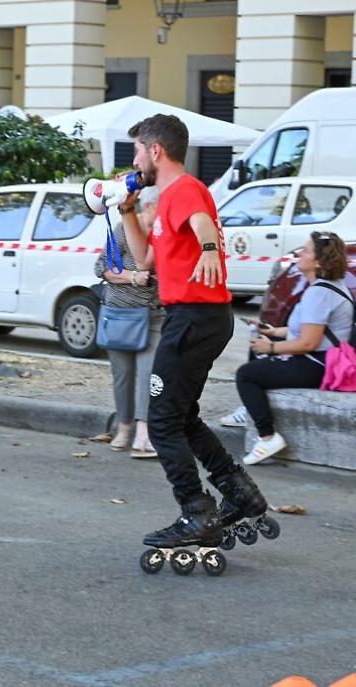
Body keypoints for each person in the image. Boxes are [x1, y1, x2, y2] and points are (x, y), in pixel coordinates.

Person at [119, 114, 270, 552]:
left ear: (156, 151)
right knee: (181, 417)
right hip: (199, 318)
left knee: (162, 421)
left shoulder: (185, 189)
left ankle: (196, 512)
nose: (135, 161)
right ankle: (238, 491)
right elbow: (145, 259)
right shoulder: (164, 200)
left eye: (137, 151)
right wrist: (127, 210)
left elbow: (203, 222)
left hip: (194, 317)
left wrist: (208, 248)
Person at [235, 232, 354, 465]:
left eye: (306, 251)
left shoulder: (318, 293)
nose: (300, 253)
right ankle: (250, 411)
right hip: (320, 358)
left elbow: (308, 343)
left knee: (246, 375)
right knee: (256, 358)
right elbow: (307, 331)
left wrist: (270, 348)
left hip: (317, 365)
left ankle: (267, 436)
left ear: (319, 262)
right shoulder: (329, 286)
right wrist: (273, 332)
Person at [94, 185, 162, 459]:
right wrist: (133, 277)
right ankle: (123, 427)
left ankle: (144, 432)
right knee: (122, 376)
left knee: (148, 374)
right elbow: (101, 268)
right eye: (161, 209)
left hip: (154, 314)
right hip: (120, 314)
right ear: (147, 207)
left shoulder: (162, 235)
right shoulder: (122, 231)